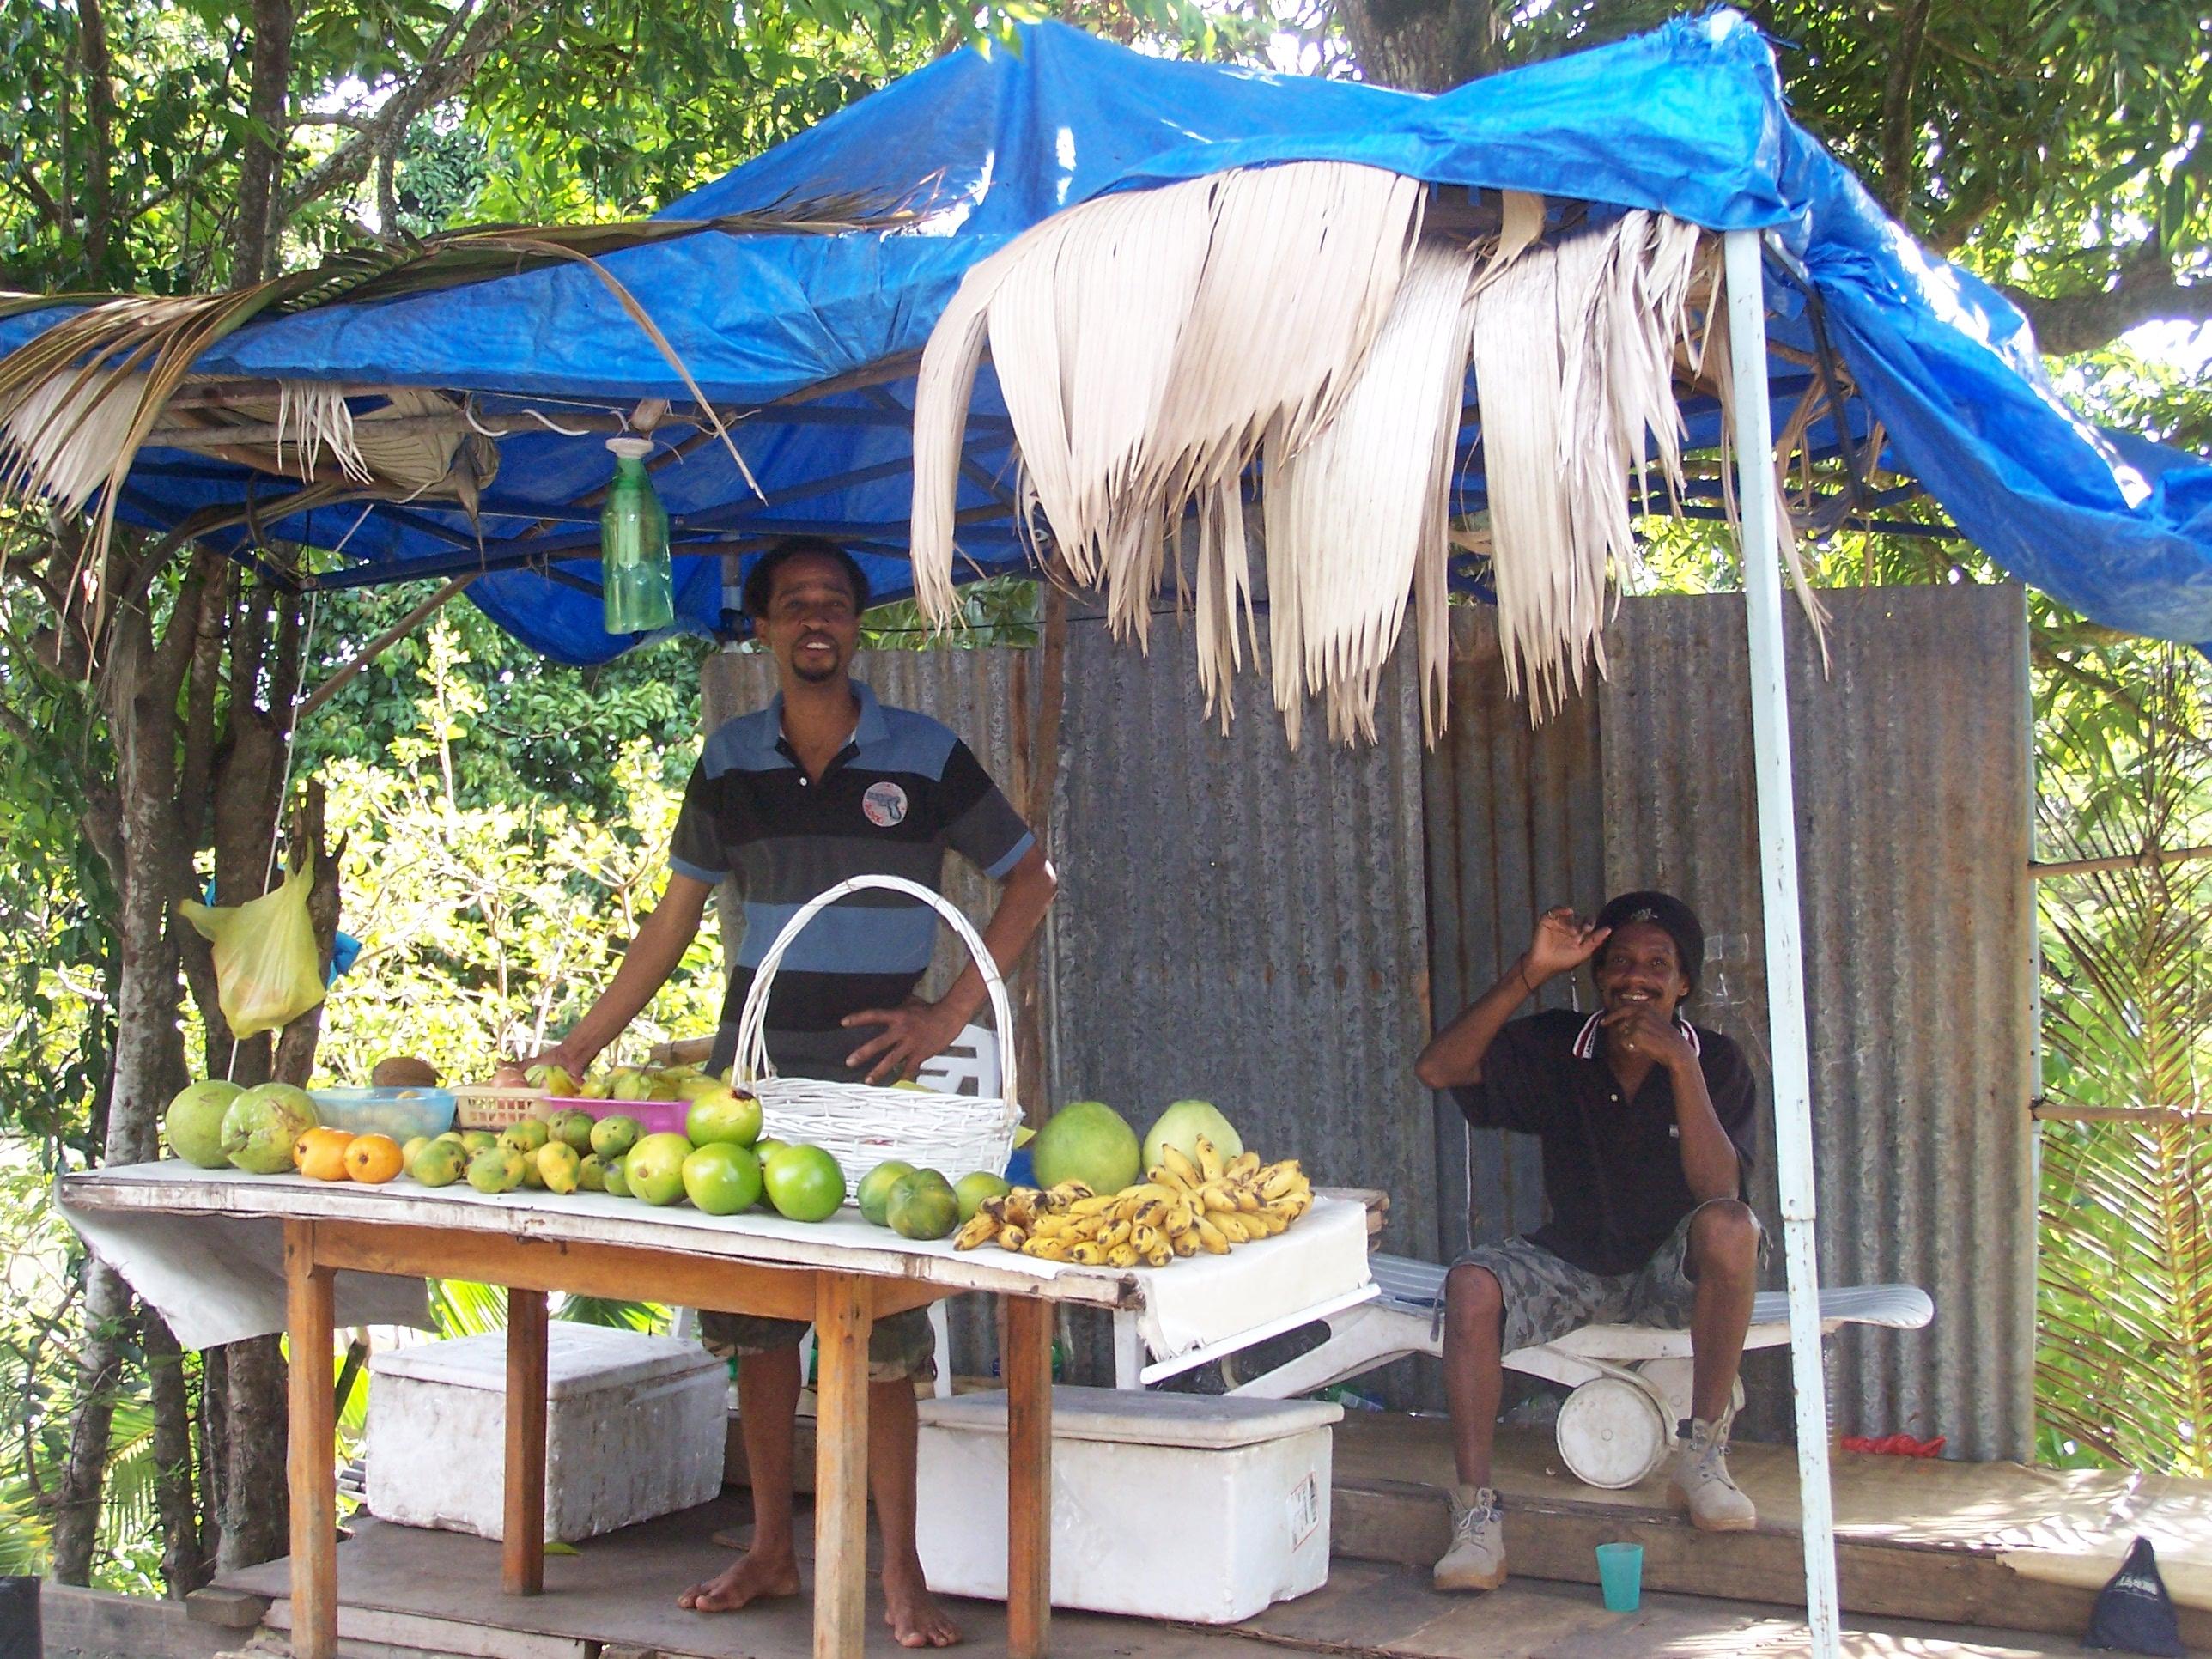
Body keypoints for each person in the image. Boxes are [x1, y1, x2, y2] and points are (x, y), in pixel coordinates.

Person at [516, 535, 1057, 1649]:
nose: (817, 617)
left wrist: (949, 1013)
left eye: (836, 603)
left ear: (859, 628)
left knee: (888, 1341)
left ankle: (897, 1573)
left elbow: (1029, 879)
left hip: (873, 1083)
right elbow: (672, 925)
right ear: (762, 628)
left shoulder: (926, 753)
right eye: (793, 602)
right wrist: (571, 1051)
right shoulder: (727, 763)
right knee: (760, 1330)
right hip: (748, 1085)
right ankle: (771, 1546)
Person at [1413, 890, 1763, 1592]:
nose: (1638, 976)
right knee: (1471, 1287)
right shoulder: (1560, 1045)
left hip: (1674, 1273)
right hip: (1577, 1262)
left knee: (1733, 1228)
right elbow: (1439, 1069)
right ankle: (1477, 1521)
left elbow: (1720, 1192)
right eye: (1621, 962)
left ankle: (1700, 1456)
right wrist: (1530, 972)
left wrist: (1681, 1069)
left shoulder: (1716, 1063)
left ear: (1683, 982)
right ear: (1598, 977)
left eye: (1658, 964)